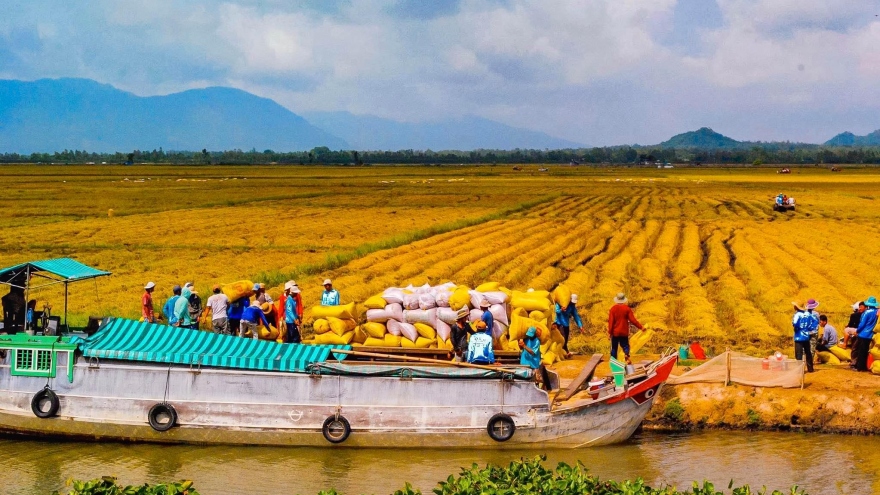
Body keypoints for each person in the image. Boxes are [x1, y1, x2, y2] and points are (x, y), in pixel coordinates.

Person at [608, 293, 643, 364]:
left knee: (614, 348)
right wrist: (641, 327)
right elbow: (633, 320)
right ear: (624, 300)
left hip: (615, 333)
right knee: (625, 346)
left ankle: (614, 362)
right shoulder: (627, 309)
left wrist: (610, 333)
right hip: (624, 332)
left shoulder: (613, 309)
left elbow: (611, 322)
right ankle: (626, 354)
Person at [792, 299, 819, 373]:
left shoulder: (796, 315)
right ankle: (810, 369)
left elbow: (794, 324)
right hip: (806, 336)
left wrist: (797, 329)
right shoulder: (808, 315)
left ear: (796, 307)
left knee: (799, 353)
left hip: (799, 337)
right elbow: (815, 322)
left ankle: (799, 370)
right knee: (808, 352)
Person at [554, 293, 583, 358]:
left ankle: (564, 352)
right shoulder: (561, 303)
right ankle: (563, 352)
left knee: (566, 338)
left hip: (566, 324)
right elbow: (556, 311)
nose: (573, 304)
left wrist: (580, 326)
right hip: (559, 323)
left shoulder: (572, 307)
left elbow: (576, 316)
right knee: (562, 338)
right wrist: (561, 309)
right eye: (572, 302)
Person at [854, 296, 878, 372]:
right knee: (866, 351)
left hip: (863, 334)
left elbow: (862, 324)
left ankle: (860, 368)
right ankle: (865, 366)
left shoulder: (867, 312)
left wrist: (857, 330)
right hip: (871, 334)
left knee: (861, 352)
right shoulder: (877, 311)